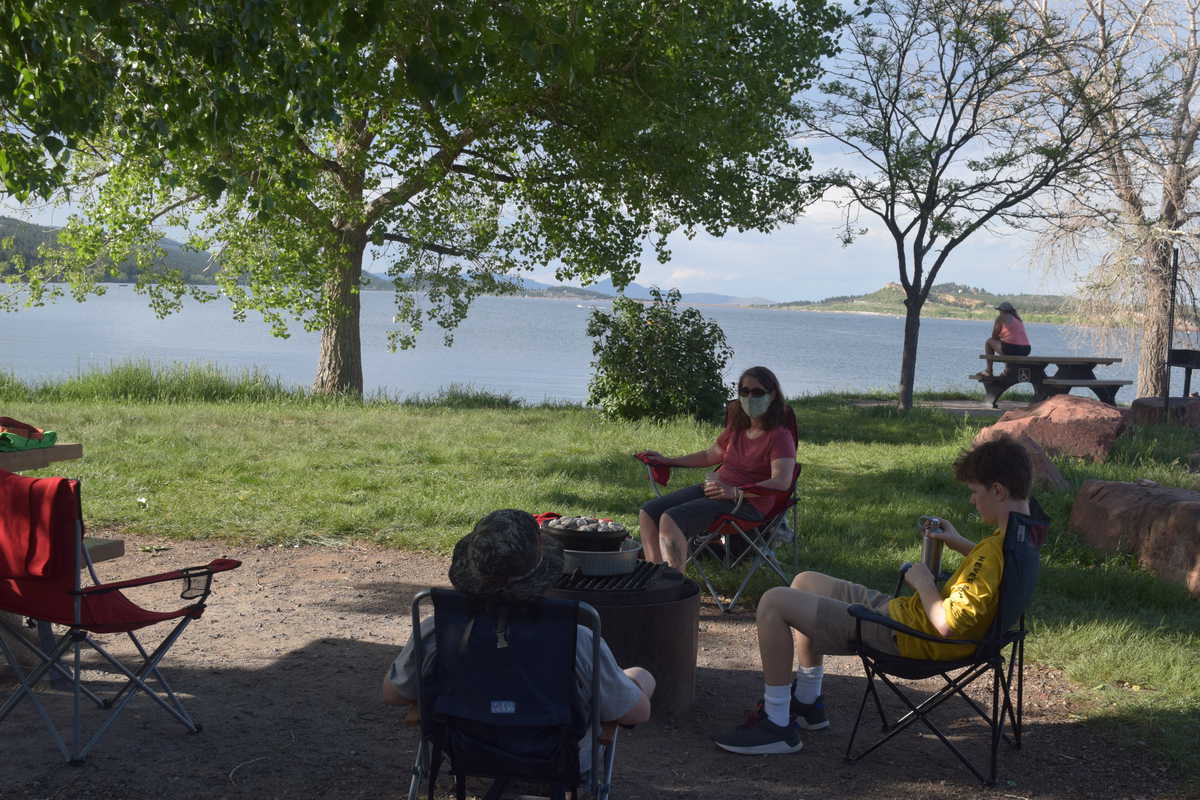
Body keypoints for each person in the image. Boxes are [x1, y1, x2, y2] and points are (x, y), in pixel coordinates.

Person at [713, 435, 1032, 755]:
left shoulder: (994, 552)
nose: (972, 501)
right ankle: (808, 702)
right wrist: (959, 542)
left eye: (975, 492)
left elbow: (947, 625)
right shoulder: (1019, 538)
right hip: (906, 619)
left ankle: (777, 724)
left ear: (998, 490)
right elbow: (991, 570)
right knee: (805, 581)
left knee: (773, 602)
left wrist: (923, 583)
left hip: (906, 637)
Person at [382, 509, 656, 774]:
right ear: (543, 574)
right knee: (639, 676)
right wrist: (638, 682)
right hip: (557, 755)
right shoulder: (575, 638)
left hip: (464, 749)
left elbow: (394, 694)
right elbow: (635, 714)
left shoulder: (439, 631)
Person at [635, 366, 797, 571]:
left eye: (757, 392)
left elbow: (781, 481)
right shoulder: (738, 428)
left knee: (671, 519)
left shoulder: (780, 436)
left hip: (748, 505)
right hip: (716, 490)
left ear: (772, 395)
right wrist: (669, 461)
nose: (750, 397)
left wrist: (736, 492)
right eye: (744, 392)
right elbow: (709, 455)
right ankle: (655, 574)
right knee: (649, 512)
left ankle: (672, 584)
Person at [973, 301, 1031, 379]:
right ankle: (1008, 370)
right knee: (1005, 347)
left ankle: (989, 371)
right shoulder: (1018, 320)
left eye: (1000, 311)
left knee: (989, 342)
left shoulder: (1001, 318)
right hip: (1026, 350)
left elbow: (994, 337)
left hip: (1012, 348)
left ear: (1001, 311)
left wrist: (1000, 338)